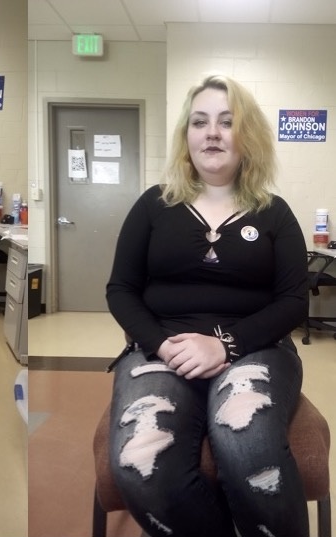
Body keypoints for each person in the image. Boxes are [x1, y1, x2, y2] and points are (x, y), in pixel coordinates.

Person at [105, 74, 309, 537]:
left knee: (248, 446)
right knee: (140, 462)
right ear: (186, 136)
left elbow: (294, 301)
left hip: (257, 348)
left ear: (247, 136)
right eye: (199, 122)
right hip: (163, 348)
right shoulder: (153, 206)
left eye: (226, 122)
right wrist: (164, 345)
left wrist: (225, 345)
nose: (211, 133)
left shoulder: (274, 213)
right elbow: (120, 289)